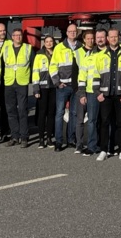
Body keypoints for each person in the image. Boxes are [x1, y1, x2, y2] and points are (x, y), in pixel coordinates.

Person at [94, 28, 121, 161]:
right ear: (107, 39)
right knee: (104, 123)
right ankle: (104, 150)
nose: (113, 39)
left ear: (119, 38)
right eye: (111, 37)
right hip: (105, 95)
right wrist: (98, 92)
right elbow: (95, 75)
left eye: (115, 36)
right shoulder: (100, 55)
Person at [1, 27, 33, 147]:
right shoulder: (6, 49)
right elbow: (2, 66)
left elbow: (33, 65)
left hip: (22, 82)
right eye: (15, 35)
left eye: (19, 35)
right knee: (11, 111)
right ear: (12, 37)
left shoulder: (28, 48)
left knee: (23, 110)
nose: (17, 37)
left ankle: (24, 137)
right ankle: (14, 136)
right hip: (9, 82)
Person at [51, 23, 80, 151]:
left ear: (77, 33)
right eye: (70, 31)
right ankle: (58, 141)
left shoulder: (81, 47)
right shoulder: (59, 48)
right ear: (67, 33)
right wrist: (57, 82)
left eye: (74, 31)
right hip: (63, 85)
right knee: (59, 113)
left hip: (77, 86)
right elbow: (53, 66)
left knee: (74, 113)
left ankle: (71, 139)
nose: (73, 33)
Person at [74, 29, 100, 155]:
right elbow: (76, 73)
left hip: (93, 90)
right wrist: (80, 92)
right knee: (79, 119)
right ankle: (79, 145)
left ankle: (93, 144)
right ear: (84, 39)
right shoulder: (77, 53)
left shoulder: (96, 53)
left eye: (92, 38)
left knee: (92, 119)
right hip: (82, 89)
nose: (91, 40)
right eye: (88, 38)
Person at [32, 35, 57, 148]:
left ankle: (49, 138)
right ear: (44, 43)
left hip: (54, 87)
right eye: (47, 41)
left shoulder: (57, 53)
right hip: (42, 88)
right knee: (42, 113)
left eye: (51, 41)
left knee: (51, 113)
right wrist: (36, 89)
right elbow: (35, 72)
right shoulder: (39, 55)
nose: (49, 43)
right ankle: (41, 139)